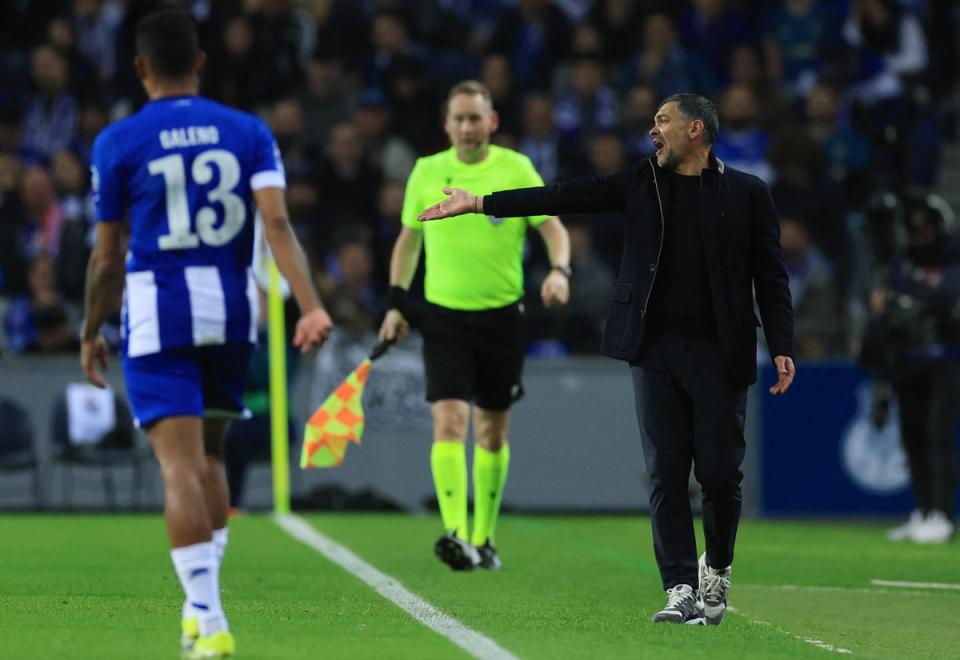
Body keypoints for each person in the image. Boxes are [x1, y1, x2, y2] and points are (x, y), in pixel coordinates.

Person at [419, 93, 795, 624]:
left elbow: (771, 277)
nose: (652, 131)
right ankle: (680, 586)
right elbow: (563, 195)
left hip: (721, 349)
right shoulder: (642, 183)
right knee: (665, 472)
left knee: (718, 474)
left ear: (696, 130)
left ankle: (719, 567)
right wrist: (481, 203)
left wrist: (782, 344)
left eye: (663, 121)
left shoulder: (748, 193)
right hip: (653, 347)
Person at [79, 10, 332, 658]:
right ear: (200, 62)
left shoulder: (118, 141)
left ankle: (208, 617)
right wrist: (309, 305)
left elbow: (107, 259)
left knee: (180, 470)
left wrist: (89, 330)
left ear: (140, 68)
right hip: (229, 314)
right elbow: (277, 227)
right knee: (212, 458)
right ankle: (202, 610)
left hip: (159, 317)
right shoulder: (247, 131)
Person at [378, 80, 571, 571]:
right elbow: (408, 241)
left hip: (502, 315)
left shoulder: (515, 168)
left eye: (475, 118)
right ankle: (456, 534)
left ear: (492, 122)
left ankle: (484, 538)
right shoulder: (426, 171)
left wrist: (558, 271)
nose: (467, 127)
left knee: (491, 432)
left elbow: (552, 227)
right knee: (448, 420)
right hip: (444, 315)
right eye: (458, 118)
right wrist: (398, 304)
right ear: (446, 124)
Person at [862, 194, 960, 544]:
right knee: (913, 438)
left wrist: (910, 305)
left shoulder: (950, 263)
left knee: (939, 437)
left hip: (945, 361)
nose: (920, 234)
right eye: (914, 228)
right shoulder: (903, 264)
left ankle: (941, 514)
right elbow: (888, 308)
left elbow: (945, 300)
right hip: (908, 362)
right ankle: (922, 510)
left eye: (926, 227)